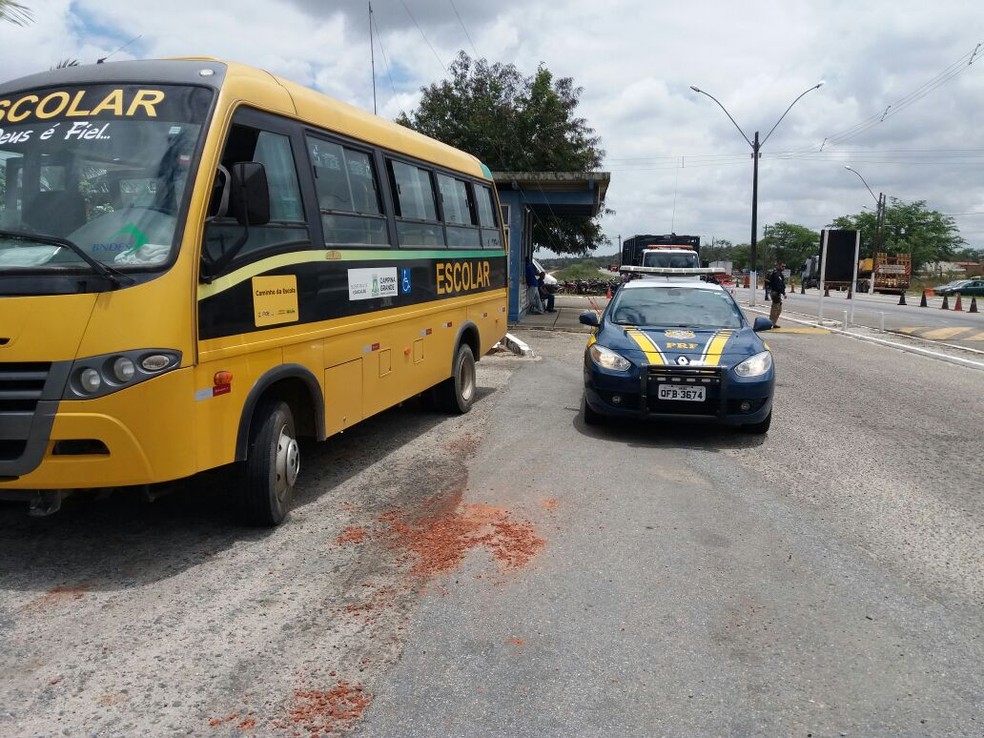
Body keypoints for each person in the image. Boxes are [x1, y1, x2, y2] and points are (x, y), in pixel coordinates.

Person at [767, 262, 786, 327]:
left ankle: (773, 323)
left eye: (784, 266)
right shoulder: (776, 274)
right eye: (782, 266)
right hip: (775, 293)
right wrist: (783, 293)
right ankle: (770, 323)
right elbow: (779, 285)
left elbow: (781, 285)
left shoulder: (779, 274)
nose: (783, 268)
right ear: (778, 266)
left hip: (777, 293)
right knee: (775, 309)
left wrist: (783, 293)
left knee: (778, 309)